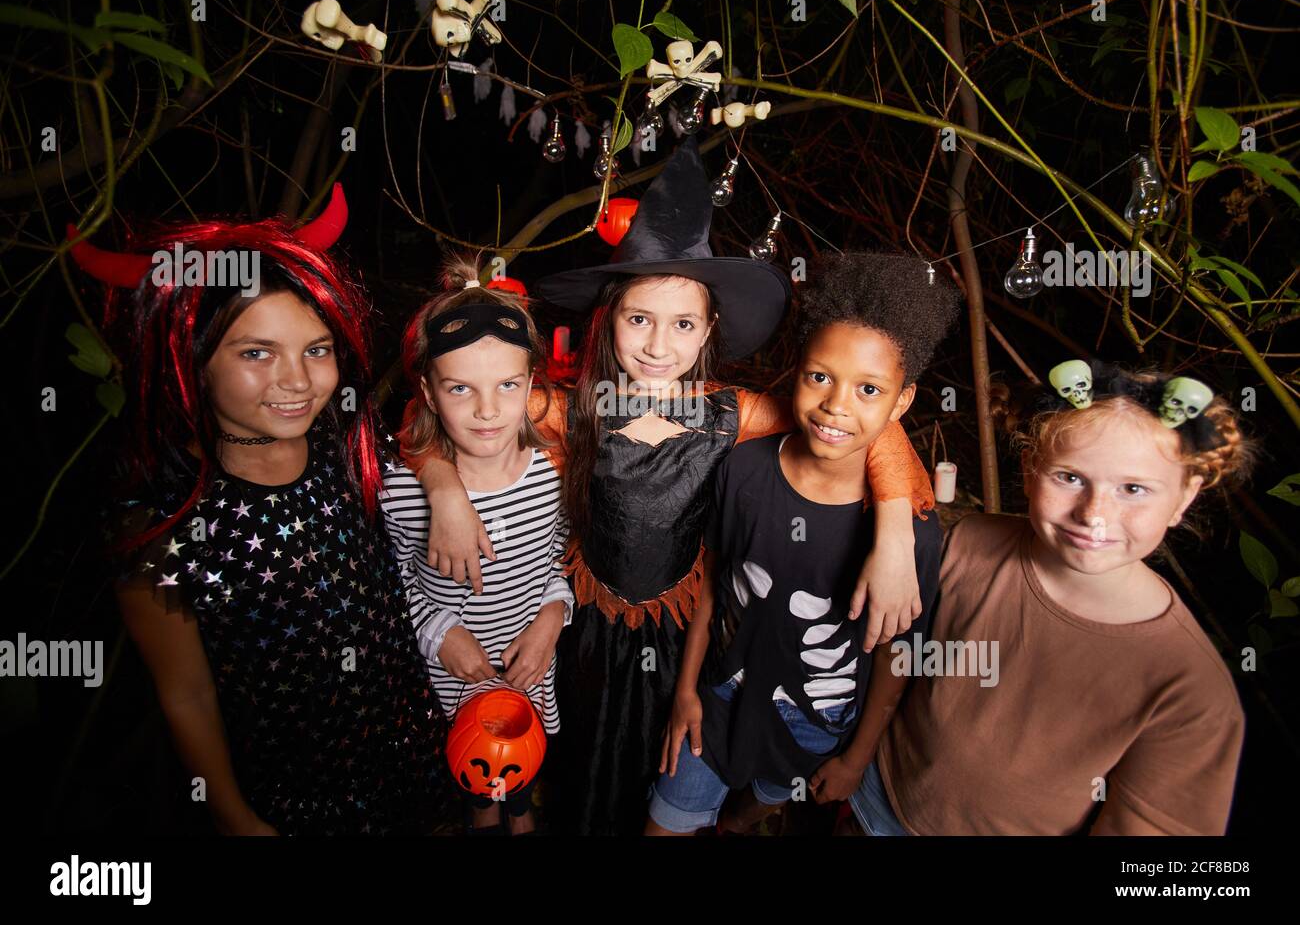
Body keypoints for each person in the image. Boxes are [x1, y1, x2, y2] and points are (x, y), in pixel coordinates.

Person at [409, 140, 937, 834]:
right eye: (639, 320)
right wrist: (442, 487)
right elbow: (432, 416)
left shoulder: (734, 414)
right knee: (580, 769)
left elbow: (850, 422)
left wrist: (896, 528)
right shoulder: (572, 407)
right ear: (609, 317)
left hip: (684, 634)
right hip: (587, 627)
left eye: (683, 324)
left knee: (662, 772)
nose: (659, 346)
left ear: (709, 327)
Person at [82, 187, 445, 835]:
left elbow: (422, 455)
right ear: (192, 360)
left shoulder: (347, 441)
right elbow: (186, 693)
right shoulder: (157, 527)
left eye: (316, 348)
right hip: (297, 795)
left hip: (408, 751)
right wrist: (232, 814)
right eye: (257, 353)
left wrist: (444, 492)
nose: (299, 381)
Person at [850, 359, 1251, 835]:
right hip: (877, 792)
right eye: (1070, 477)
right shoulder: (970, 544)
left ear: (1184, 499)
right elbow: (899, 652)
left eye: (1134, 489)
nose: (1094, 515)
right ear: (1029, 468)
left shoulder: (1191, 690)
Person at [646, 252, 959, 834]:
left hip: (814, 719)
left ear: (903, 401)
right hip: (719, 695)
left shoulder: (909, 533)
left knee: (751, 812)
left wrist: (856, 757)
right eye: (820, 377)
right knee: (667, 819)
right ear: (797, 371)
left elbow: (896, 654)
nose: (837, 406)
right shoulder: (742, 469)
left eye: (870, 389)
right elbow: (712, 585)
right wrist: (686, 691)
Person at [382, 261, 573, 834]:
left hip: (529, 666)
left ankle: (521, 811)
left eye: (507, 386)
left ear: (532, 384)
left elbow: (560, 558)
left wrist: (551, 619)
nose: (487, 411)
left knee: (523, 770)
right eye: (460, 388)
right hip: (451, 674)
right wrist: (440, 634)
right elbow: (392, 588)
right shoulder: (403, 491)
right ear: (428, 393)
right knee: (474, 783)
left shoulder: (553, 470)